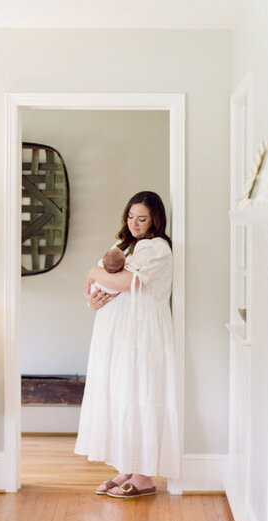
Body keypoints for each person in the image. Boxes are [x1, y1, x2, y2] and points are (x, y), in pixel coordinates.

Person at [75, 190, 180, 498]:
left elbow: (123, 283)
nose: (135, 224)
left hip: (141, 331)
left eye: (142, 218)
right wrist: (93, 298)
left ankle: (144, 475)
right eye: (131, 217)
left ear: (155, 220)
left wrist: (93, 272)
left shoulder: (156, 248)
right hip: (115, 331)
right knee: (120, 396)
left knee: (140, 394)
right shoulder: (122, 245)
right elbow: (97, 289)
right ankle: (127, 466)